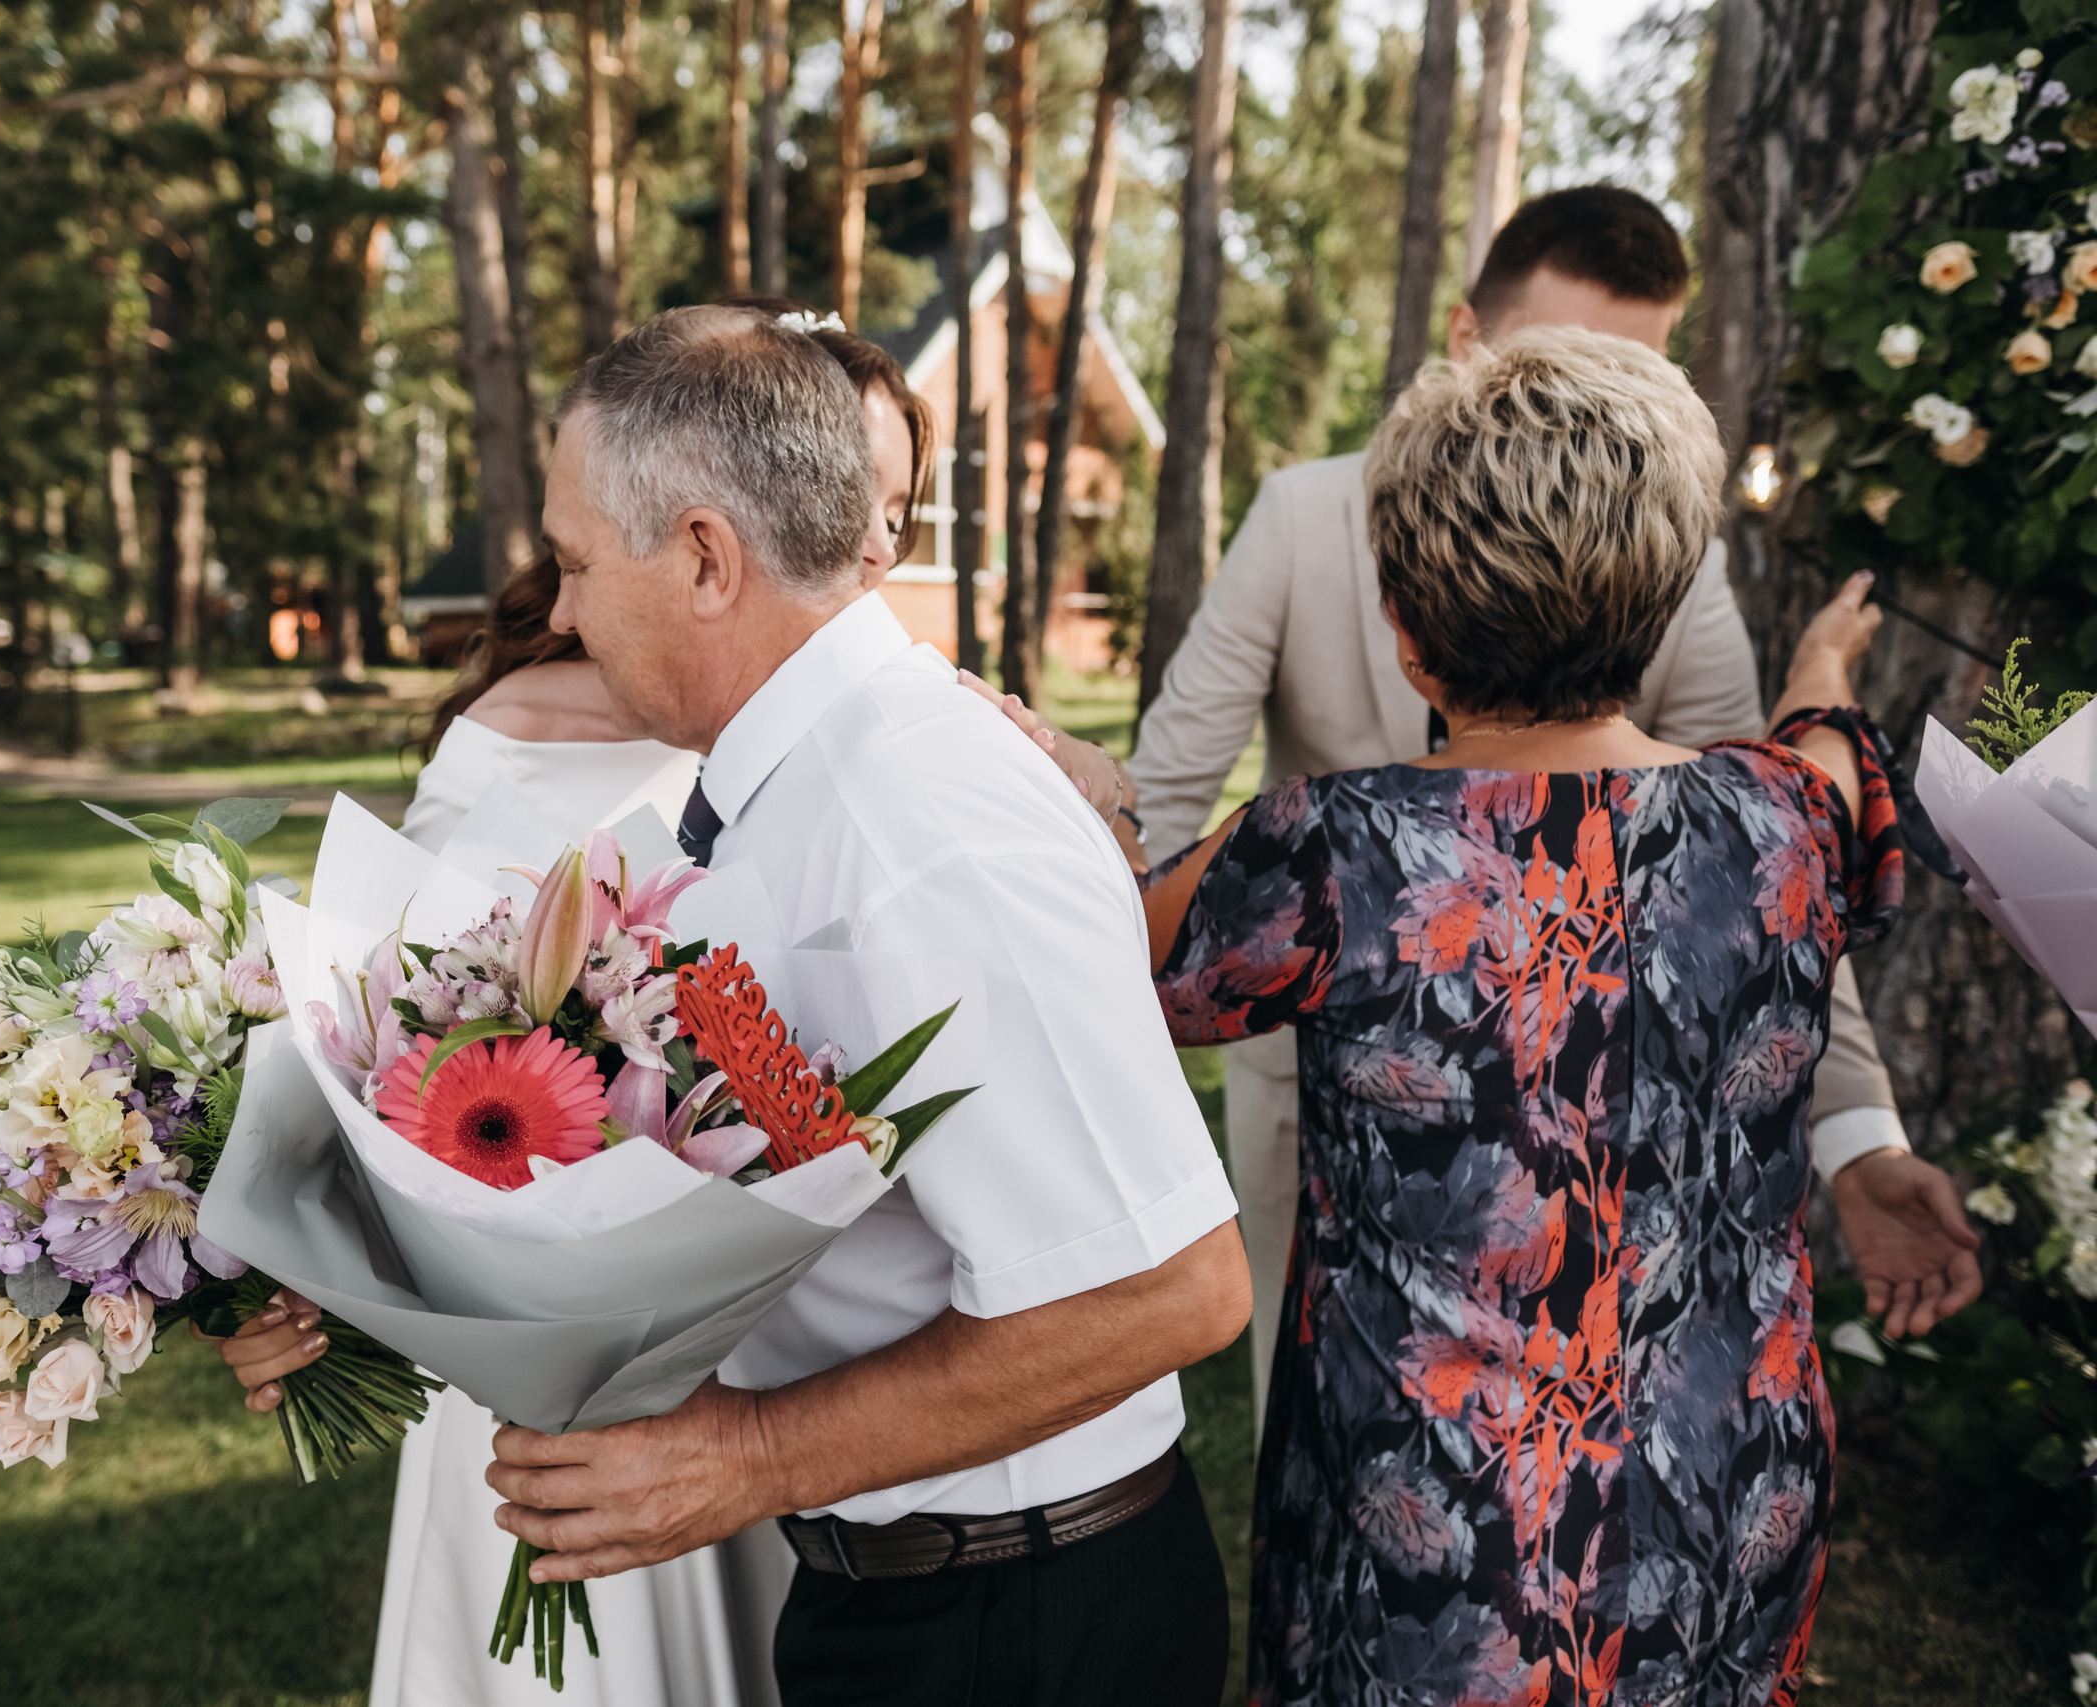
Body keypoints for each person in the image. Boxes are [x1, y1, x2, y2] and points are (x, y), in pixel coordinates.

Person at [1023, 185, 1970, 1425]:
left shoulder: (1676, 551)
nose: (1605, 432)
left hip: (1628, 1108)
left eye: (1636, 381)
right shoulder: (1306, 518)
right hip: (1317, 1077)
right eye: (1566, 366)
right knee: (1312, 1390)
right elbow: (1791, 819)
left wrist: (1857, 1139)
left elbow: (1772, 871)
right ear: (1468, 340)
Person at [1136, 327, 1973, 1701]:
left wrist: (1077, 792)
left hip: (1452, 1559)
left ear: (1406, 629)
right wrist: (1824, 659)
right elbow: (1829, 740)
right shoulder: (1784, 818)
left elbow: (1117, 962)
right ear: (1658, 608)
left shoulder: (1335, 850)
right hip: (1732, 1500)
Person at [477, 304, 1251, 1706]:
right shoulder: (798, 789)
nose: (567, 608)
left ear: (707, 556)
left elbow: (1167, 1285)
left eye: (580, 562)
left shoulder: (915, 824)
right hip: (915, 1600)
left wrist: (751, 1458)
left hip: (1017, 1626)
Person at [215, 309, 941, 1707]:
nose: (868, 546)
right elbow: (382, 1041)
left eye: (895, 514)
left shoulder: (884, 750)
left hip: (728, 1353)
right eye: (851, 498)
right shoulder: (503, 733)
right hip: (505, 1319)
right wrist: (282, 1278)